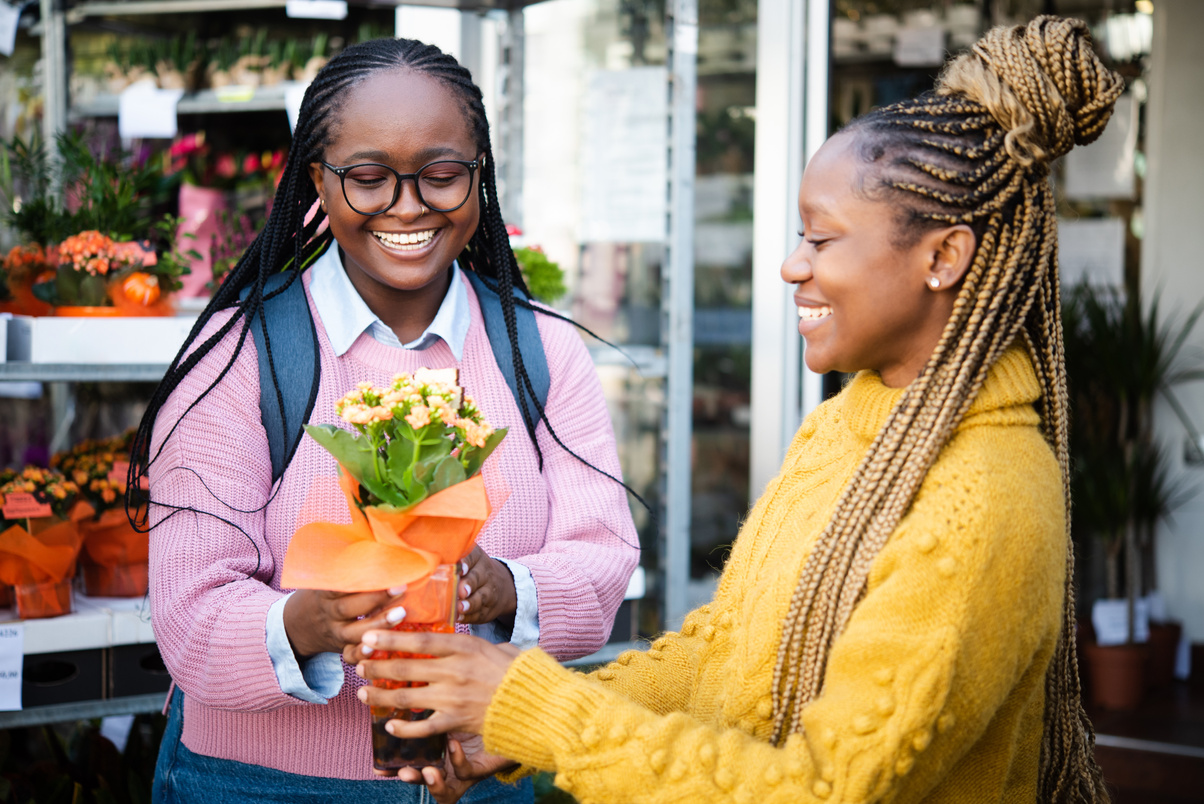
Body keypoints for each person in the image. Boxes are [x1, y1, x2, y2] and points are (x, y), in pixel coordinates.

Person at [348, 16, 1122, 804]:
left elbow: (820, 790)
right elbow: (723, 657)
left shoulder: (985, 500)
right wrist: (508, 725)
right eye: (799, 236)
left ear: (943, 257)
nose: (792, 266)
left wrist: (533, 706)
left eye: (823, 240)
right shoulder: (850, 425)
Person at [132, 38, 639, 803]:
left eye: (441, 176)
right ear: (318, 181)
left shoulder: (539, 350)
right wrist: (314, 621)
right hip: (263, 785)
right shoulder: (243, 357)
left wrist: (496, 588)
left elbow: (601, 565)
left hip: (481, 781)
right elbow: (187, 615)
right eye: (368, 178)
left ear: (478, 178)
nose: (407, 207)